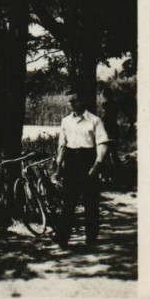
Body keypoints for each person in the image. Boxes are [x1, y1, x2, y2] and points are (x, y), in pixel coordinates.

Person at [54, 92, 110, 248]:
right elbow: (62, 145)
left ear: (83, 101)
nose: (72, 104)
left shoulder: (95, 121)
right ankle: (62, 239)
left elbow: (102, 143)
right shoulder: (66, 121)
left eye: (75, 101)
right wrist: (59, 166)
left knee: (90, 202)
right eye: (70, 102)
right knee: (68, 202)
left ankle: (91, 238)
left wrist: (97, 165)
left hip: (88, 159)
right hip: (71, 162)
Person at [99, 87, 121, 180]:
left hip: (108, 128)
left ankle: (105, 174)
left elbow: (106, 117)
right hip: (114, 128)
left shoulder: (105, 104)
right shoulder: (116, 104)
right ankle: (117, 173)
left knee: (105, 152)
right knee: (113, 152)